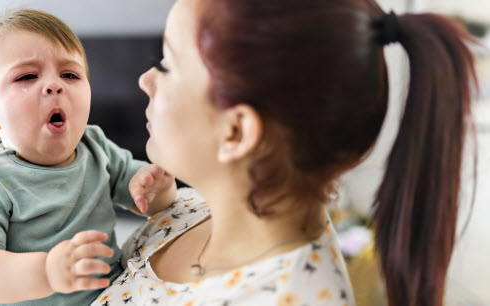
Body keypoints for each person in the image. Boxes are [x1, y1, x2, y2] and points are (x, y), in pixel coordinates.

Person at [93, 0, 477, 305]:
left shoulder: (288, 297)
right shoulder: (186, 211)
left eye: (166, 64)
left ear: (236, 131)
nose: (145, 80)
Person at [0, 9, 177, 306]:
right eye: (27, 76)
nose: (55, 85)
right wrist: (46, 272)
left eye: (70, 74)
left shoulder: (96, 146)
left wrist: (159, 189)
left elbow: (147, 201)